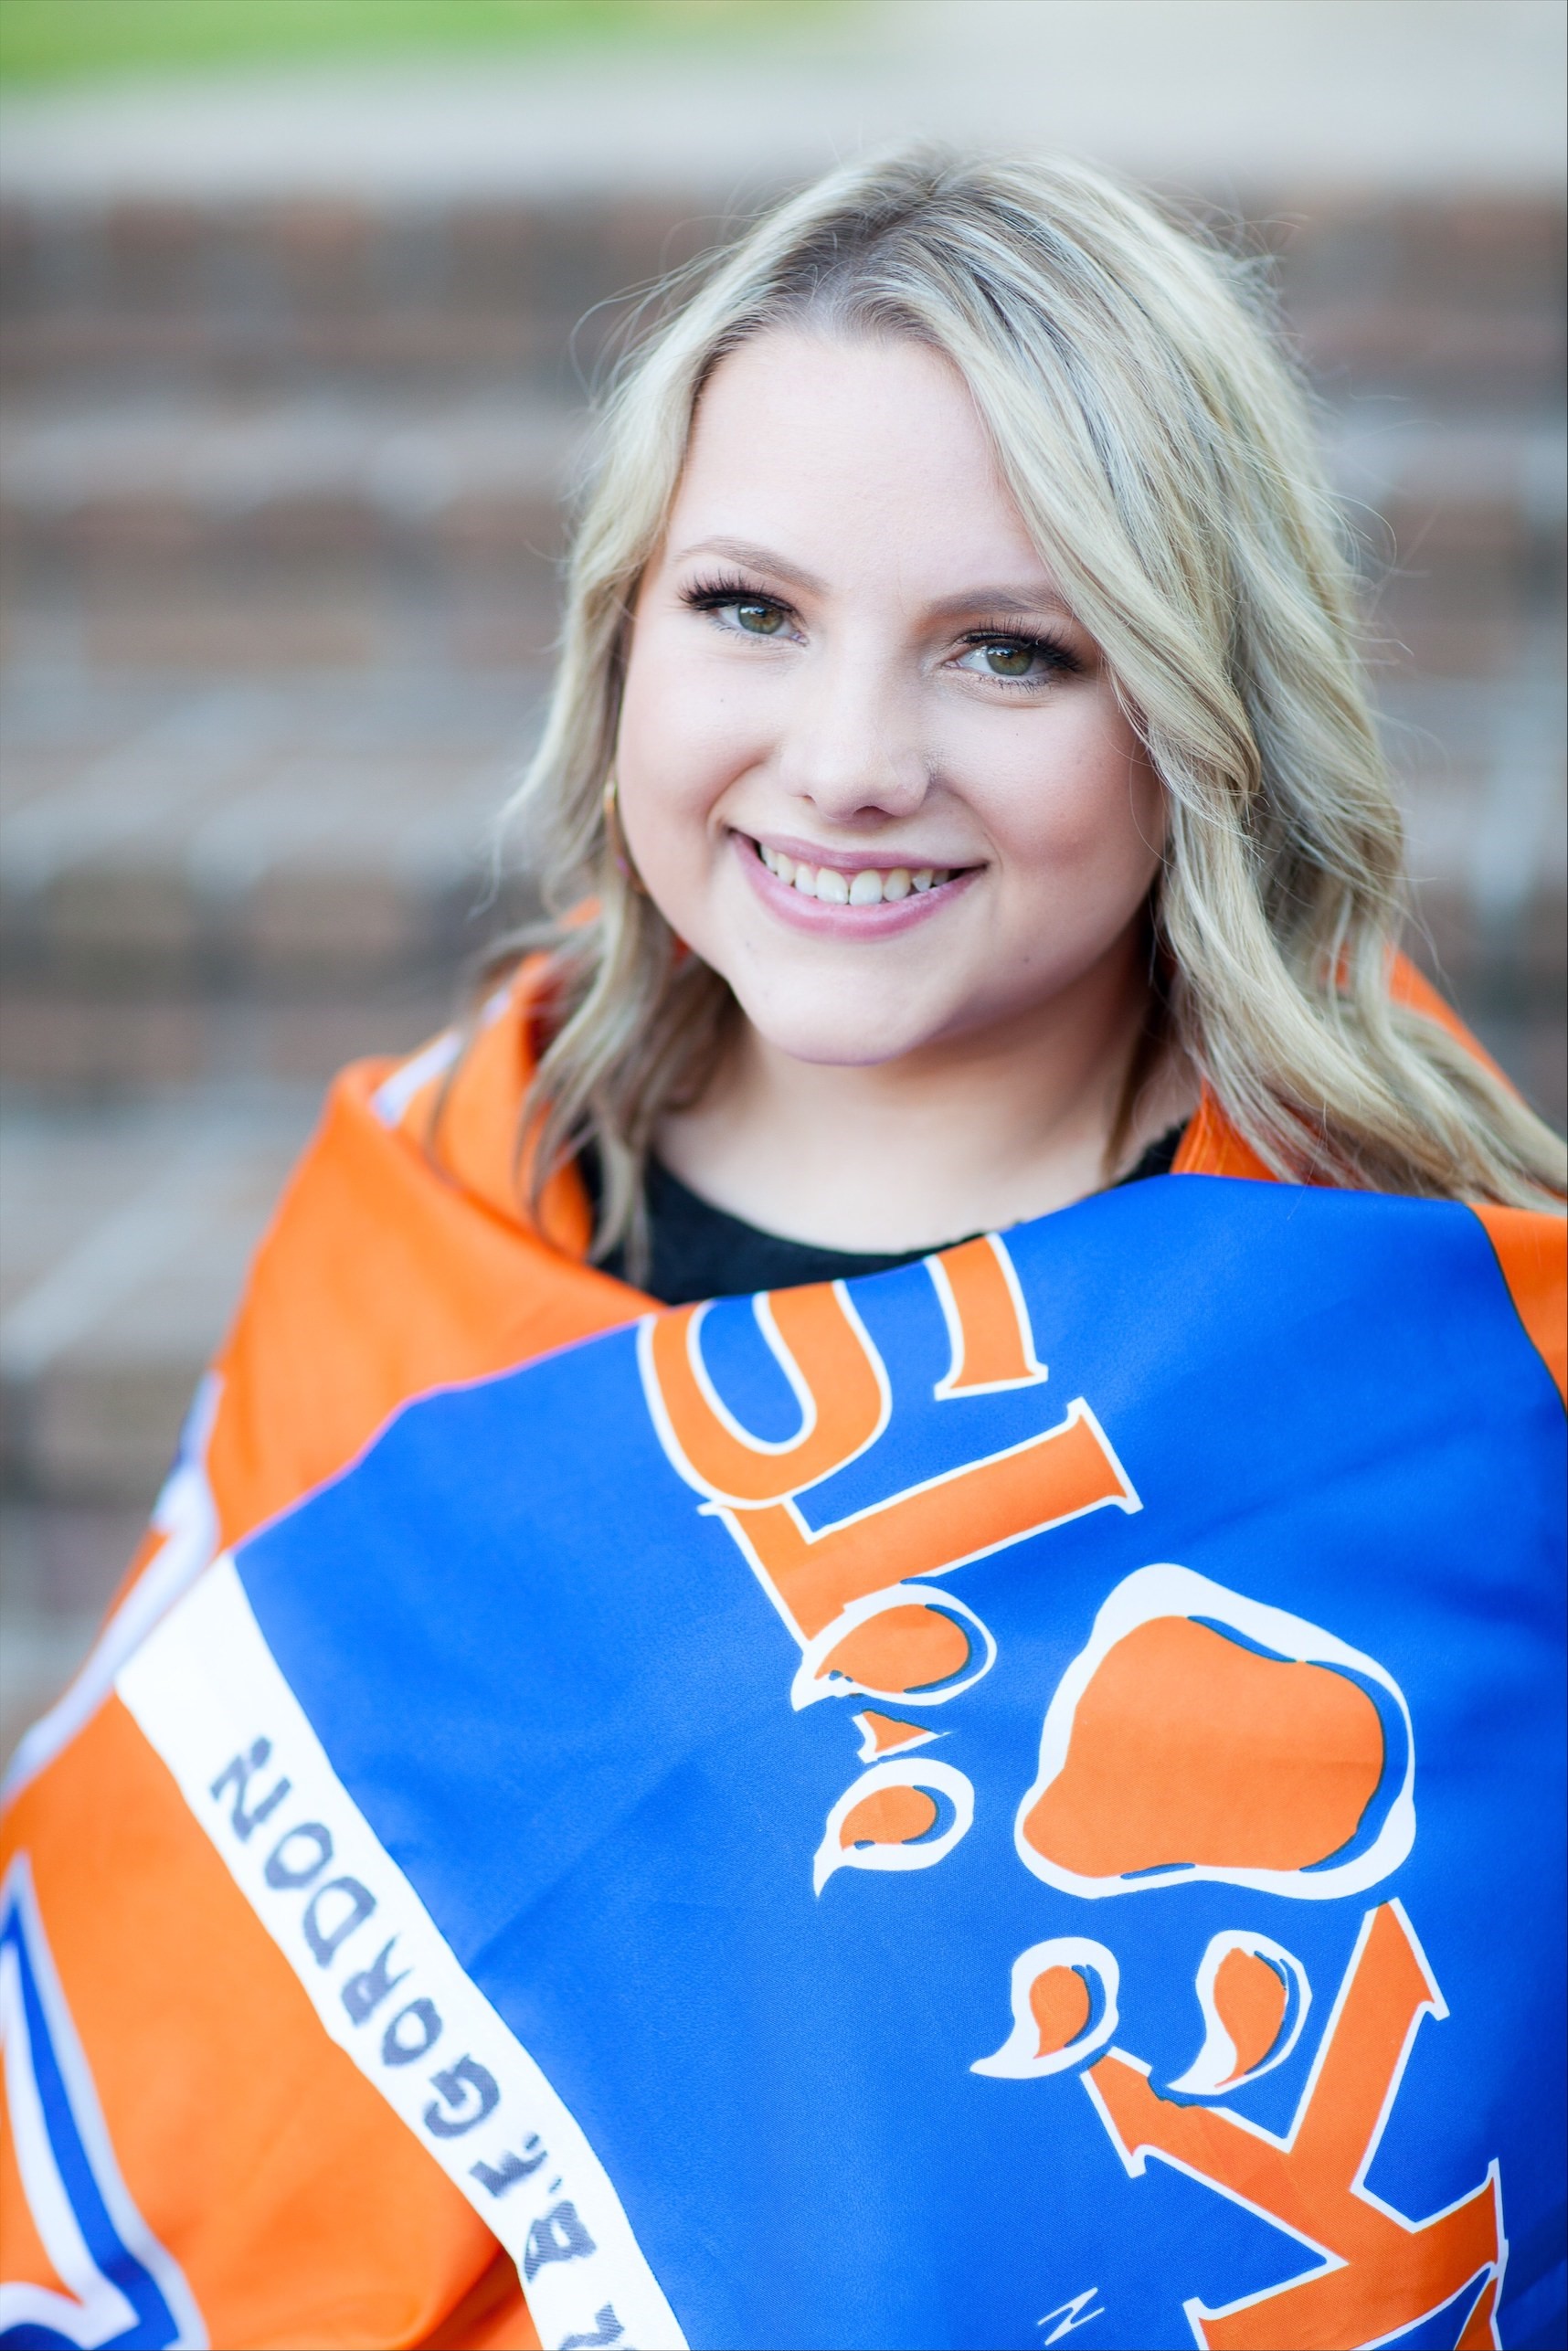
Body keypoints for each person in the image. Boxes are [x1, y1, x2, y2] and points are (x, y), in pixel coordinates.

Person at [2, 152, 1563, 2351]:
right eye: (748, 611)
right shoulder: (432, 1217)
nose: (844, 766)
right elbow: (154, 2010)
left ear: (1203, 727)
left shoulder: (1432, 1362)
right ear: (620, 634)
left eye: (1009, 651)